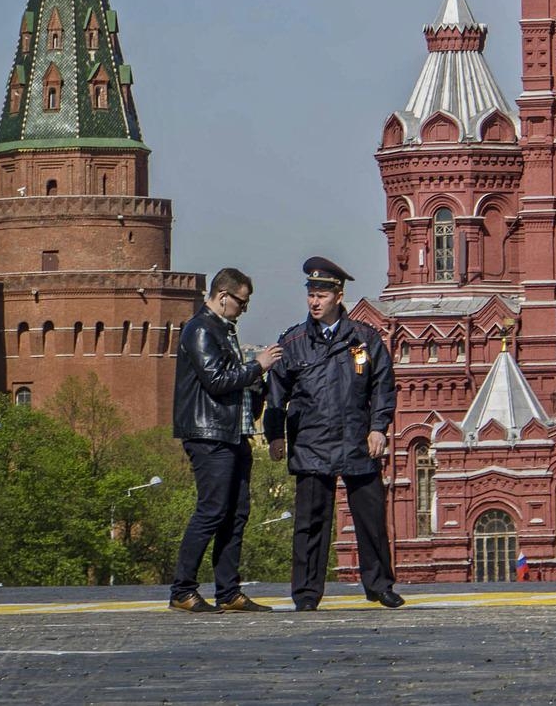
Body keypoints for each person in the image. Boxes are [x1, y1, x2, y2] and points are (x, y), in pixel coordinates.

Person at [264, 255, 403, 611]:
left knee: (370, 519)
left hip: (358, 440)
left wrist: (378, 427)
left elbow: (382, 386)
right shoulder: (293, 342)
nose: (314, 301)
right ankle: (307, 594)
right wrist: (275, 434)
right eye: (311, 293)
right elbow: (276, 390)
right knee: (310, 525)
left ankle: (379, 585)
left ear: (338, 296)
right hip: (311, 442)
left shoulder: (364, 339)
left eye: (322, 294)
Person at [169, 267, 282, 613]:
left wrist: (256, 383)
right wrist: (258, 366)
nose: (243, 310)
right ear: (223, 297)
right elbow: (217, 380)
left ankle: (228, 591)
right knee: (212, 509)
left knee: (236, 512)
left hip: (231, 432)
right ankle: (182, 589)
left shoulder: (222, 330)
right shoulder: (200, 329)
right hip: (209, 435)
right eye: (241, 303)